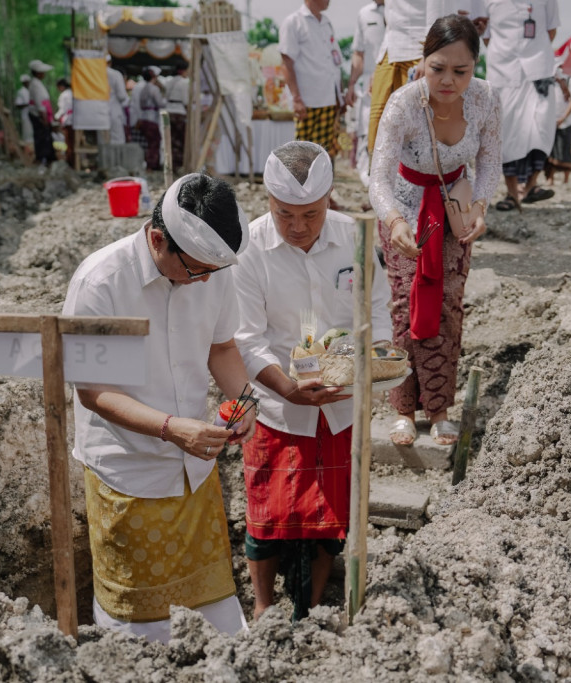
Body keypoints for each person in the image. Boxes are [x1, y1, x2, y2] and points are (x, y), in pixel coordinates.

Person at [62, 173, 257, 642]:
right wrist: (172, 429)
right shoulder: (101, 282)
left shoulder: (210, 268)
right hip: (126, 470)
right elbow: (94, 392)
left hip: (193, 470)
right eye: (195, 270)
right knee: (136, 623)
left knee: (212, 610)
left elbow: (222, 347)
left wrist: (244, 401)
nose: (206, 280)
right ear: (156, 239)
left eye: (213, 271)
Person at [234, 141, 393, 620]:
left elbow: (379, 311)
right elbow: (245, 337)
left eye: (311, 213)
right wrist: (285, 386)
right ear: (268, 203)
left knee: (329, 518)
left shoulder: (355, 239)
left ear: (330, 202)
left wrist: (369, 362)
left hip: (341, 404)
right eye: (285, 215)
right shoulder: (249, 249)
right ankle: (263, 605)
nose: (298, 227)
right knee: (267, 513)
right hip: (276, 404)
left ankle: (318, 601)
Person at [370, 14, 501, 446]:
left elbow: (489, 164)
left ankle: (441, 406)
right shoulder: (404, 102)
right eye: (437, 68)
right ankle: (404, 408)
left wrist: (480, 206)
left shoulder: (484, 100)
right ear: (422, 62)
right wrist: (393, 222)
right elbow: (378, 179)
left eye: (460, 71)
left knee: (448, 303)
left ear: (475, 68)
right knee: (406, 305)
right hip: (406, 208)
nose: (447, 80)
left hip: (454, 206)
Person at [483, 0, 560, 211]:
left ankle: (529, 186)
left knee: (541, 129)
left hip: (539, 70)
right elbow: (486, 35)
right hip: (503, 72)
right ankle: (511, 193)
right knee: (507, 133)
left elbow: (551, 30)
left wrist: (531, 50)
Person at [367, 0, 431, 155]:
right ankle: (377, 176)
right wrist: (378, 65)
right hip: (389, 52)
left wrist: (428, 54)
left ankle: (413, 175)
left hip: (418, 50)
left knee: (417, 122)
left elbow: (437, 16)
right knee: (379, 119)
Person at [279, 0, 343, 155]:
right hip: (307, 102)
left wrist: (339, 95)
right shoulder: (293, 22)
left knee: (324, 152)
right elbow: (287, 62)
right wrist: (296, 99)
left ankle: (324, 180)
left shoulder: (326, 23)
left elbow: (334, 62)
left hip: (328, 98)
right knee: (302, 154)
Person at [346, 0, 386, 185]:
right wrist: (352, 84)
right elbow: (358, 53)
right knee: (367, 136)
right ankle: (372, 190)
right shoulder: (364, 14)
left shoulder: (404, 9)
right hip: (369, 89)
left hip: (399, 81)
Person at [545, 71, 571, 186]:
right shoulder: (548, 80)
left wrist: (563, 118)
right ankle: (550, 178)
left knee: (565, 148)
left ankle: (566, 178)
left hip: (567, 121)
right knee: (551, 151)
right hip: (550, 121)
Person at [138, 67, 167, 171]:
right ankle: (152, 165)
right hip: (152, 119)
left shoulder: (143, 89)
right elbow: (161, 103)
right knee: (155, 142)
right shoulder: (154, 89)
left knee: (149, 142)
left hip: (144, 117)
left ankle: (149, 164)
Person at [27, 59, 56, 166]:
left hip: (40, 115)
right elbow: (40, 105)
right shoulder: (35, 85)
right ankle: (43, 159)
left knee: (44, 137)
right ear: (38, 73)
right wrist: (44, 119)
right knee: (42, 138)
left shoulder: (37, 83)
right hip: (39, 116)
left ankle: (46, 159)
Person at [164, 62, 190, 170]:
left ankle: (172, 164)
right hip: (179, 111)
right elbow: (186, 100)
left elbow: (165, 96)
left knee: (171, 139)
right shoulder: (185, 82)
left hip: (169, 110)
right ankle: (179, 164)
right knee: (180, 139)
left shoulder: (169, 81)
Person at [106, 55, 129, 145]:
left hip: (99, 112)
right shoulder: (115, 74)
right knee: (117, 140)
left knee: (103, 141)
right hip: (114, 112)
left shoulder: (94, 74)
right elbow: (122, 96)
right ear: (110, 62)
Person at [54, 78, 74, 168]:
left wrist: (56, 117)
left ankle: (70, 161)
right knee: (73, 141)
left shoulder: (64, 95)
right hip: (75, 120)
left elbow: (62, 110)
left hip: (68, 120)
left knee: (69, 142)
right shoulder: (73, 93)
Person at [15, 74, 34, 158]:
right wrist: (28, 104)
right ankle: (28, 153)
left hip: (33, 115)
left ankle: (33, 153)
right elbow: (18, 105)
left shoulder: (32, 90)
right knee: (27, 135)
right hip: (26, 116)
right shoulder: (21, 92)